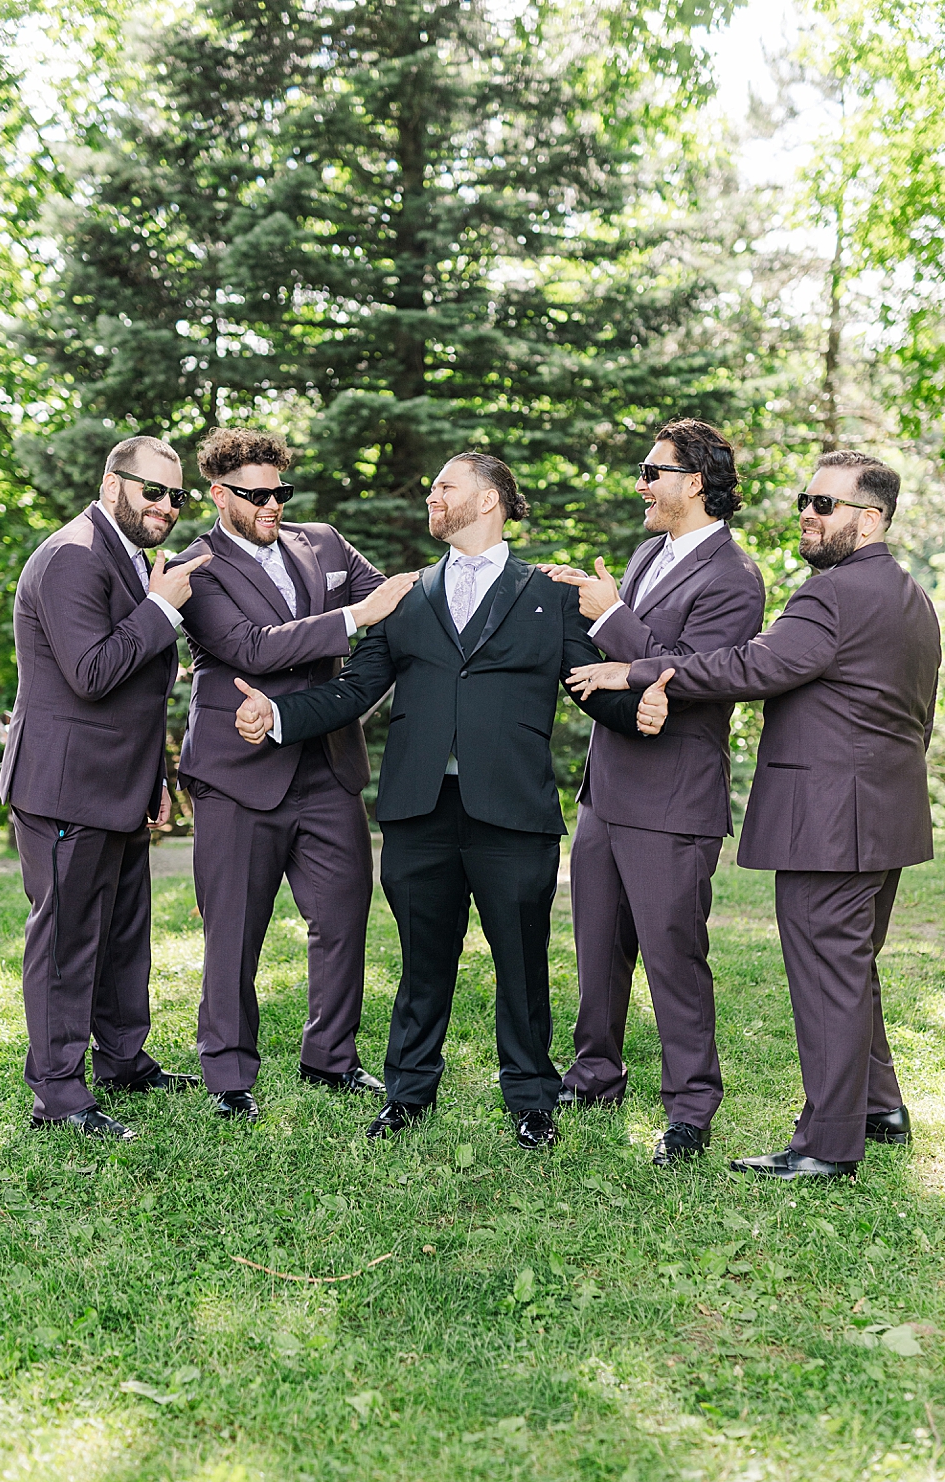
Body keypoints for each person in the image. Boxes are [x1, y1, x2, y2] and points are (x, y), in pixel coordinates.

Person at [232, 454, 648, 1150]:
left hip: (513, 812)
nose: (431, 495)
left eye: (444, 487)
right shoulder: (406, 596)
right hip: (418, 812)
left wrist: (647, 708)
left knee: (522, 961)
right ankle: (408, 1092)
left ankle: (530, 1099)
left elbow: (591, 686)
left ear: (487, 500)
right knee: (422, 961)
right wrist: (276, 717)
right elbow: (355, 690)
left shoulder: (550, 593)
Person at [568, 450, 940, 1180]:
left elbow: (748, 666)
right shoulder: (911, 597)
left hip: (830, 821)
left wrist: (634, 667)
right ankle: (880, 1104)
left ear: (869, 520)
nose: (807, 511)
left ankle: (828, 1145)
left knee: (828, 975)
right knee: (852, 967)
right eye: (807, 498)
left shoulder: (832, 597)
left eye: (824, 505)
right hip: (886, 815)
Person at [537, 419, 766, 1165]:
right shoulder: (643, 554)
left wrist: (609, 617)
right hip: (608, 789)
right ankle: (595, 1072)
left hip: (674, 799)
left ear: (693, 482)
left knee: (674, 957)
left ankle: (691, 1107)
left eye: (652, 471)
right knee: (596, 948)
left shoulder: (734, 577)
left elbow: (697, 672)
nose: (641, 484)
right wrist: (590, 610)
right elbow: (623, 659)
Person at [171, 427, 416, 1120]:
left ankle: (330, 1058)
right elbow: (247, 646)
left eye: (281, 490)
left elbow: (396, 600)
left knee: (343, 916)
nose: (273, 504)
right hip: (238, 771)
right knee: (234, 931)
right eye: (256, 494)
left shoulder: (326, 541)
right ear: (219, 495)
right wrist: (354, 617)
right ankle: (227, 1076)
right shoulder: (197, 567)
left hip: (327, 764)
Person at [0, 434, 211, 1138]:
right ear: (112, 483)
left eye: (176, 496)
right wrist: (163, 609)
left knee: (123, 934)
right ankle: (58, 1093)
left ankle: (123, 1060)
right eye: (153, 491)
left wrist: (154, 779)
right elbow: (91, 673)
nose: (166, 507)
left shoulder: (127, 557)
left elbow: (140, 694)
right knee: (66, 941)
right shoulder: (72, 557)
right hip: (65, 789)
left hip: (117, 784)